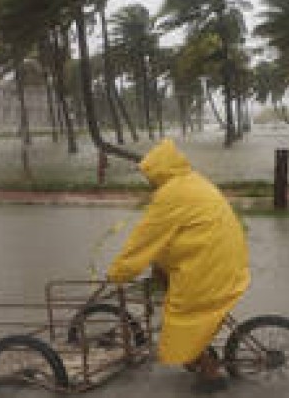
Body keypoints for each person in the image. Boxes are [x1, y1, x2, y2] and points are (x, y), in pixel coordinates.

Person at [106, 138, 250, 393]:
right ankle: (202, 350)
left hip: (210, 267)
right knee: (169, 283)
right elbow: (177, 234)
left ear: (158, 172)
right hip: (226, 260)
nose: (148, 181)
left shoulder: (170, 195)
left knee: (180, 321)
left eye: (149, 176)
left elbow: (144, 240)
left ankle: (210, 374)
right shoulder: (192, 181)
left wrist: (119, 273)